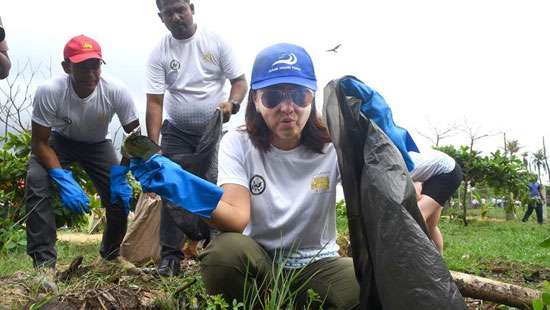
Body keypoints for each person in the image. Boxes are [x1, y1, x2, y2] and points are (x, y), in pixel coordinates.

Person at [196, 43, 360, 308]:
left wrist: (379, 138)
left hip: (318, 264)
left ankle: (294, 301)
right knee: (224, 255)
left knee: (361, 282)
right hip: (262, 261)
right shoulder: (238, 143)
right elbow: (237, 218)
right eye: (273, 97)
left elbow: (393, 183)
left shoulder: (335, 144)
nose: (287, 107)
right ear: (256, 101)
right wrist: (190, 192)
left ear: (312, 97)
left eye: (299, 95)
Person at [146, 0, 247, 276]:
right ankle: (170, 257)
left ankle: (215, 248)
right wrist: (153, 147)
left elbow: (239, 82)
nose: (176, 16)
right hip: (176, 131)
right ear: (161, 17)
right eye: (169, 13)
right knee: (171, 187)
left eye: (181, 9)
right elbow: (155, 102)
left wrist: (232, 104)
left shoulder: (215, 42)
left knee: (216, 186)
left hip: (212, 131)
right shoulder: (159, 52)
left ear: (192, 7)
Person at [25, 35, 140, 269]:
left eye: (95, 65)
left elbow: (135, 135)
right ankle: (44, 265)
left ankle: (110, 257)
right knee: (37, 180)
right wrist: (60, 176)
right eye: (82, 66)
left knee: (118, 197)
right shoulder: (50, 91)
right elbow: (39, 143)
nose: (90, 73)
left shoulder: (116, 90)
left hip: (98, 144)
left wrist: (121, 173)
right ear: (67, 67)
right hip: (60, 140)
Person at [408, 149, 463, 253]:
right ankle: (439, 265)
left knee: (416, 217)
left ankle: (417, 262)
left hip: (448, 172)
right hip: (434, 175)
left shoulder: (397, 166)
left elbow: (416, 192)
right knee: (431, 225)